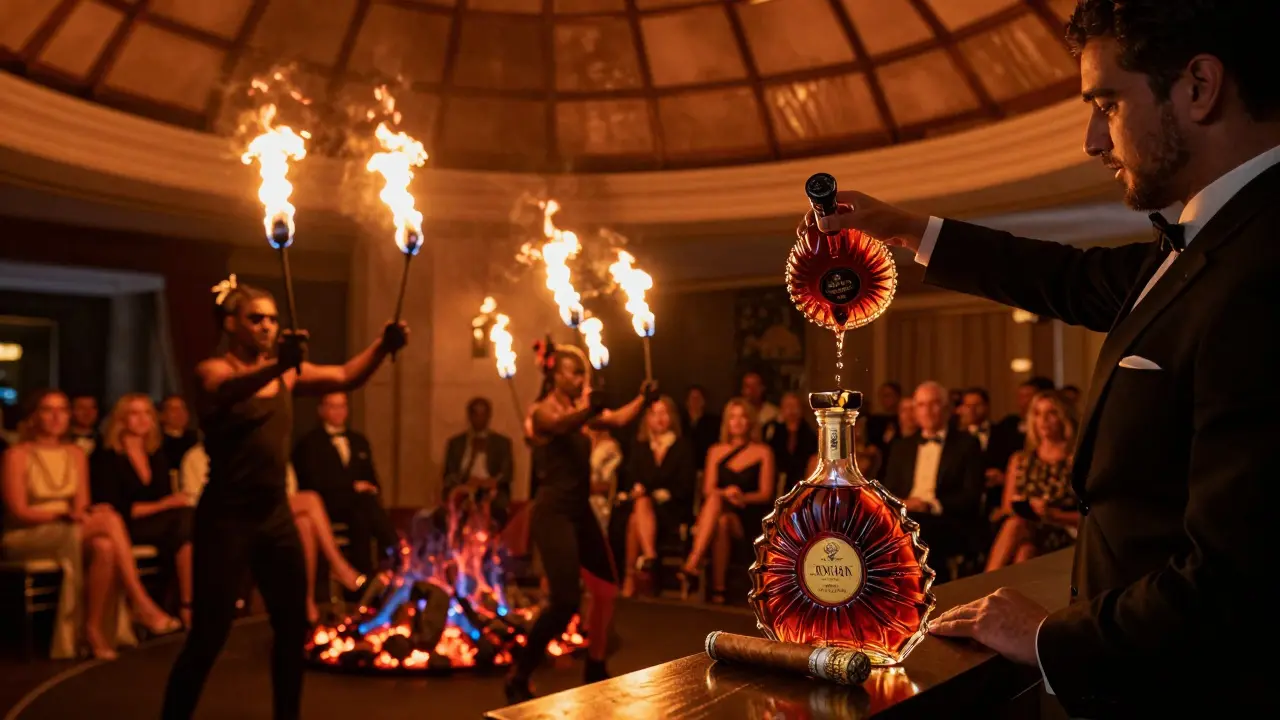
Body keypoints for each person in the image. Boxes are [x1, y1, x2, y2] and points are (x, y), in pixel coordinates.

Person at [797, 1, 1280, 711]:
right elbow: (1071, 280)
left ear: (1200, 87)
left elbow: (1241, 578)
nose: (1093, 140)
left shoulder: (1264, 264)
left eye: (1106, 102)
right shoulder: (1214, 238)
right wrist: (902, 228)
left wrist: (1056, 637)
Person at [161, 277, 407, 720]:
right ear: (231, 323)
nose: (267, 327)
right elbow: (226, 391)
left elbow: (346, 376)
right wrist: (280, 366)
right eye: (256, 319)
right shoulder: (213, 370)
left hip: (275, 518)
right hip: (226, 519)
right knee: (209, 635)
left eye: (273, 320)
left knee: (292, 629)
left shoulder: (287, 374)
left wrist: (382, 345)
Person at [504, 343, 654, 703]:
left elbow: (617, 420)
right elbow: (558, 425)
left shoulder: (581, 412)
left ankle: (596, 666)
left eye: (583, 374)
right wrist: (590, 408)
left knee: (605, 590)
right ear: (554, 376)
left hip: (579, 511)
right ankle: (520, 674)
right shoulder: (541, 411)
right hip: (552, 514)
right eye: (574, 373)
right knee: (565, 601)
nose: (580, 379)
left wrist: (643, 398)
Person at [2, 389, 180, 660]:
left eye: (62, 410)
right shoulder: (17, 454)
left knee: (105, 546)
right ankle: (141, 602)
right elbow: (17, 511)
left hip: (73, 526)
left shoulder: (75, 454)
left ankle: (93, 629)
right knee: (109, 520)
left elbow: (83, 505)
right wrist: (60, 516)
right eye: (48, 410)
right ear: (34, 416)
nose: (56, 417)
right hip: (29, 531)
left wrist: (78, 515)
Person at [179, 443, 366, 625]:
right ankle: (337, 564)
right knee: (310, 500)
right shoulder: (196, 457)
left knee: (305, 523)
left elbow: (288, 489)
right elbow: (196, 501)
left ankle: (305, 601)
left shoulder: (264, 451)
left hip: (272, 516)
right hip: (231, 519)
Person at [92, 393, 195, 627]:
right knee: (184, 522)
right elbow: (115, 509)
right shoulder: (106, 456)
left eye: (147, 413)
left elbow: (163, 498)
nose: (142, 420)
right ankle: (185, 605)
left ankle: (188, 603)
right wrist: (166, 504)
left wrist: (169, 504)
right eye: (134, 413)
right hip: (122, 525)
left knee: (189, 525)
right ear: (122, 419)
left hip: (159, 523)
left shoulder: (156, 454)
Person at [880, 382, 985, 577]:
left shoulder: (967, 444)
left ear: (947, 409)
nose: (927, 411)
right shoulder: (901, 448)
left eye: (933, 404)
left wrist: (931, 505)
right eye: (921, 405)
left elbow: (971, 496)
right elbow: (888, 492)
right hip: (906, 516)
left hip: (946, 519)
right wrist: (905, 504)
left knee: (916, 529)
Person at [677, 398, 775, 605]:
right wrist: (726, 493)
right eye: (733, 417)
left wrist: (741, 497)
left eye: (742, 417)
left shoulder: (763, 452)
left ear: (750, 421)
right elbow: (708, 489)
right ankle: (718, 591)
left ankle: (692, 564)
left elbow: (766, 493)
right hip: (719, 513)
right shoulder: (715, 450)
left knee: (717, 506)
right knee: (719, 517)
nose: (737, 422)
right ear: (726, 422)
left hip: (748, 515)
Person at [292, 392, 399, 578]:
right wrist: (351, 487)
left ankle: (368, 573)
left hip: (359, 505)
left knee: (363, 511)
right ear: (321, 410)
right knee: (363, 507)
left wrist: (370, 488)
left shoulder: (359, 441)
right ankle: (394, 551)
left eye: (342, 406)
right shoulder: (309, 444)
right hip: (328, 504)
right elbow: (313, 482)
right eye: (333, 406)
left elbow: (371, 477)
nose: (339, 412)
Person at [986, 391, 1079, 571]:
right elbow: (1008, 508)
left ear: (1064, 417)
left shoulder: (1076, 460)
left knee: (1019, 533)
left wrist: (1052, 514)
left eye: (1051, 413)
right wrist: (1027, 507)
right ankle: (994, 593)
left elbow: (1089, 517)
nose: (1043, 420)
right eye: (1037, 413)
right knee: (1024, 548)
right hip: (1027, 530)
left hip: (1064, 531)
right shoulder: (1020, 460)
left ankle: (983, 588)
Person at [619, 395, 696, 597]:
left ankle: (632, 577)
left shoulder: (682, 447)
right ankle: (650, 559)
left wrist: (657, 493)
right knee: (637, 512)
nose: (659, 418)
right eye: (653, 414)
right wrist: (637, 488)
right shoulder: (640, 447)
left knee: (636, 518)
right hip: (644, 507)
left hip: (672, 508)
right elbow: (631, 477)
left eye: (663, 413)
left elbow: (685, 484)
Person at [442, 397, 515, 527]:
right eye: (476, 414)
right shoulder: (456, 444)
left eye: (483, 414)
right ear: (469, 417)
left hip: (491, 491)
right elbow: (449, 474)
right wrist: (472, 459)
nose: (479, 419)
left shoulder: (501, 443)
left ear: (489, 416)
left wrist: (489, 482)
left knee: (498, 509)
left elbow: (507, 473)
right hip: (464, 489)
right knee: (445, 514)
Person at [764, 392, 817, 494]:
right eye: (788, 406)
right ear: (781, 409)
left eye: (795, 406)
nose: (792, 410)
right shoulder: (771, 430)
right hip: (774, 482)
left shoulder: (811, 435)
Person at [159, 395, 200, 476]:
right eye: (174, 409)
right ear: (162, 415)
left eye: (183, 408)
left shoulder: (196, 438)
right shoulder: (159, 443)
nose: (180, 413)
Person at [682, 385, 719, 470]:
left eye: (698, 398)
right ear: (686, 401)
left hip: (706, 468)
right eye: (692, 398)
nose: (695, 401)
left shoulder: (713, 423)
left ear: (704, 401)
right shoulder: (680, 423)